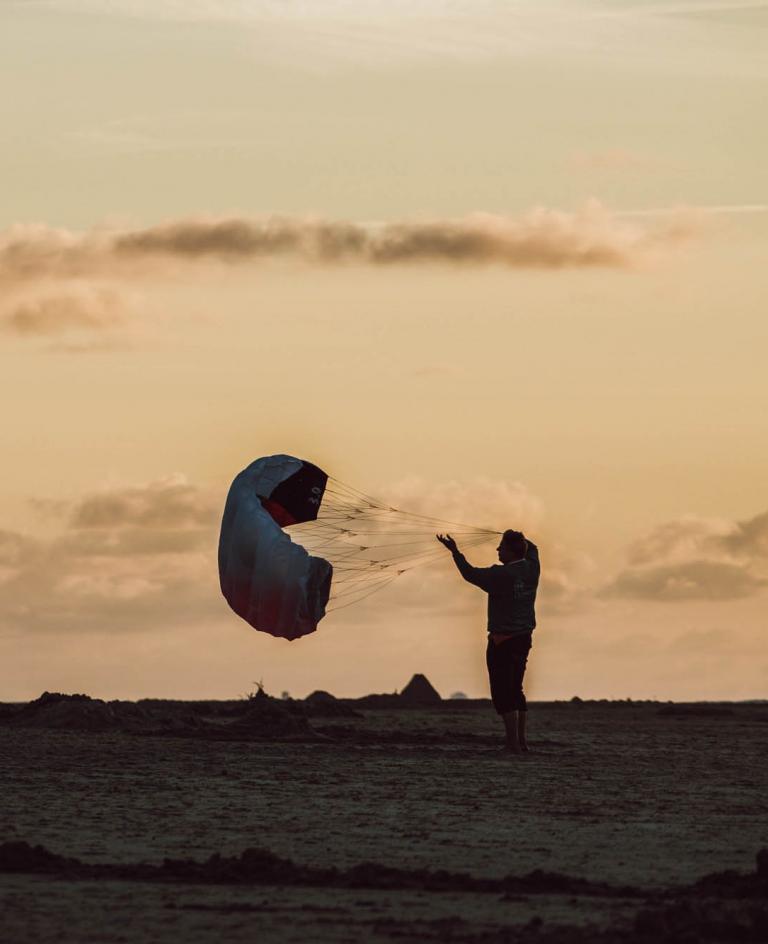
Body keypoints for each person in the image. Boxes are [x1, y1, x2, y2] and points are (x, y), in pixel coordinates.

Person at [436, 530, 540, 753]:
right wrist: (516, 537)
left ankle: (511, 744)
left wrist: (455, 552)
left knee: (503, 693)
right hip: (524, 639)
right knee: (516, 689)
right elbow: (534, 548)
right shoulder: (532, 569)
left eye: (502, 547)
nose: (497, 550)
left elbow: (469, 574)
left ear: (512, 552)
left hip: (502, 641)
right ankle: (521, 743)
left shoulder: (500, 576)